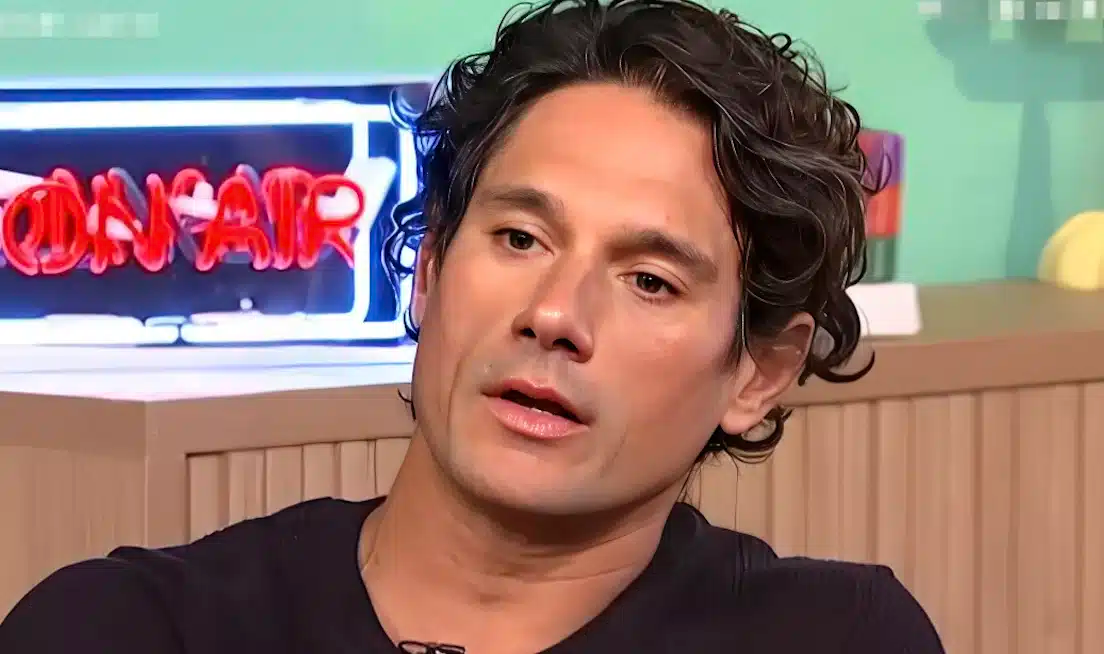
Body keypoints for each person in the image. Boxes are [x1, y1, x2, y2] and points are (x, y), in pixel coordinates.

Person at [0, 1, 943, 652]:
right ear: (429, 270)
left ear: (758, 373)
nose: (555, 315)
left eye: (650, 281)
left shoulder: (840, 640)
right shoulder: (118, 630)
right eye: (521, 238)